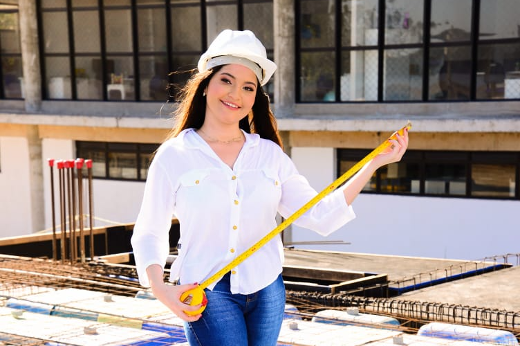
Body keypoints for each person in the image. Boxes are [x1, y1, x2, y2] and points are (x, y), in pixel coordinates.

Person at [131, 29, 409, 345]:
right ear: (206, 84)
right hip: (207, 290)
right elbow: (150, 230)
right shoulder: (175, 155)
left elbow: (319, 216)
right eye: (226, 80)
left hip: (267, 289)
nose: (236, 94)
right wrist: (161, 290)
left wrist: (372, 164)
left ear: (254, 99)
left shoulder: (268, 154)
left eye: (248, 87)